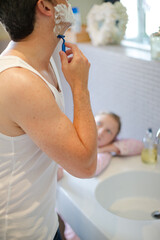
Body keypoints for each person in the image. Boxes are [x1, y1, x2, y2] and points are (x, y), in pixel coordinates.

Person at [0, 1, 97, 240]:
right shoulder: (19, 80)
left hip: (43, 222)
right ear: (45, 6)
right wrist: (80, 87)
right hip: (19, 232)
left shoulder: (40, 62)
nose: (69, 2)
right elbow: (86, 166)